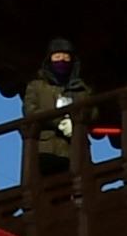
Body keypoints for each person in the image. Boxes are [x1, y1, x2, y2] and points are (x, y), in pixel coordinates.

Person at [21, 40, 86, 180]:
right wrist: (58, 121)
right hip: (45, 150)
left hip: (74, 149)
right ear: (49, 60)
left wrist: (75, 121)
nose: (61, 61)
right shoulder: (36, 86)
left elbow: (93, 112)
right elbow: (30, 111)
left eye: (66, 57)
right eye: (57, 57)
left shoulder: (80, 88)